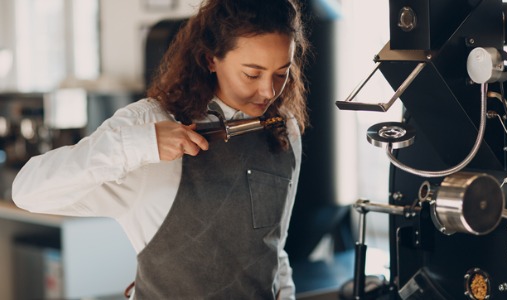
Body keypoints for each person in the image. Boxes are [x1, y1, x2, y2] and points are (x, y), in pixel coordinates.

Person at [12, 0, 309, 298]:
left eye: (282, 73)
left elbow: (272, 247)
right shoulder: (148, 123)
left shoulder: (283, 128)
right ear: (210, 59)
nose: (269, 92)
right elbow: (27, 191)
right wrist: (140, 144)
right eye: (252, 74)